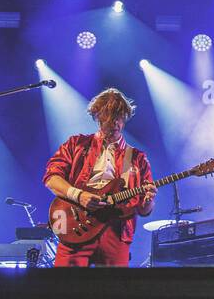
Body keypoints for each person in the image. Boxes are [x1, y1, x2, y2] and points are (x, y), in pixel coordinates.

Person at [43, 88, 156, 267]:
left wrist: (149, 200)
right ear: (97, 116)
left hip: (116, 231)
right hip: (76, 226)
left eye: (119, 117)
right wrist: (79, 195)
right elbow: (51, 178)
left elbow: (143, 210)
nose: (115, 123)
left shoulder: (136, 158)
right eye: (109, 117)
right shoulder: (76, 144)